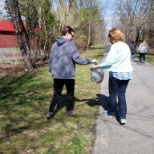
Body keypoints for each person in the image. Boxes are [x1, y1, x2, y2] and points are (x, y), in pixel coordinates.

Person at [47, 26, 97, 119]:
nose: (72, 37)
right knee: (70, 93)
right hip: (68, 75)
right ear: (67, 33)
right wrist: (90, 61)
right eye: (72, 35)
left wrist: (51, 70)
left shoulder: (54, 44)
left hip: (57, 75)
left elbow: (51, 59)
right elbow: (77, 59)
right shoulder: (70, 45)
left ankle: (50, 111)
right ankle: (68, 111)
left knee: (56, 94)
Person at [91, 28, 133, 124]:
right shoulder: (126, 46)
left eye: (109, 37)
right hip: (127, 74)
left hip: (116, 74)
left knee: (113, 94)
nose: (109, 40)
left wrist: (97, 65)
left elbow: (110, 61)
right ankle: (122, 117)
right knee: (122, 95)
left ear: (113, 37)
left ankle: (112, 112)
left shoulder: (115, 47)